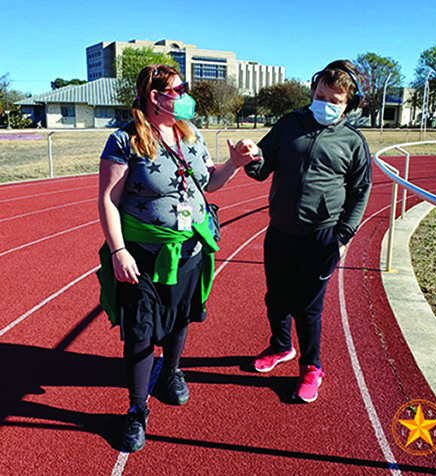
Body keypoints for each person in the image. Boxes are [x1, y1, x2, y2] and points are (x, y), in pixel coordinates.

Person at [97, 64, 258, 452]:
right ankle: (137, 410)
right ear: (155, 97)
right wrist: (118, 251)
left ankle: (170, 373)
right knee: (139, 332)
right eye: (178, 89)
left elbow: (209, 181)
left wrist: (234, 164)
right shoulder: (125, 141)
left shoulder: (191, 134)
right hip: (143, 254)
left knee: (179, 317)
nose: (185, 96)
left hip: (190, 249)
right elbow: (108, 199)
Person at [234, 60, 372, 403]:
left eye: (335, 100)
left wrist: (343, 235)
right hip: (279, 231)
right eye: (321, 94)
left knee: (308, 308)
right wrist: (250, 155)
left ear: (348, 105)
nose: (325, 103)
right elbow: (261, 167)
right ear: (313, 91)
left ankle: (312, 367)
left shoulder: (353, 142)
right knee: (276, 298)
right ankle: (281, 346)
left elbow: (360, 190)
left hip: (321, 237)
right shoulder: (288, 125)